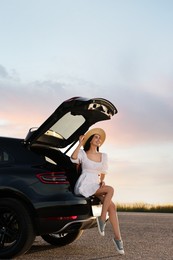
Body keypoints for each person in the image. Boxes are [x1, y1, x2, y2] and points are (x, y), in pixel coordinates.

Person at [70, 128, 125, 255]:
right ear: (90, 140)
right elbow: (73, 158)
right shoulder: (83, 154)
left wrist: (102, 182)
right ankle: (101, 219)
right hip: (85, 184)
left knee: (112, 206)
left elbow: (103, 173)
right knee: (111, 190)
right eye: (96, 137)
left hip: (96, 184)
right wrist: (79, 143)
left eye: (99, 138)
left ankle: (118, 239)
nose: (98, 139)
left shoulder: (104, 156)